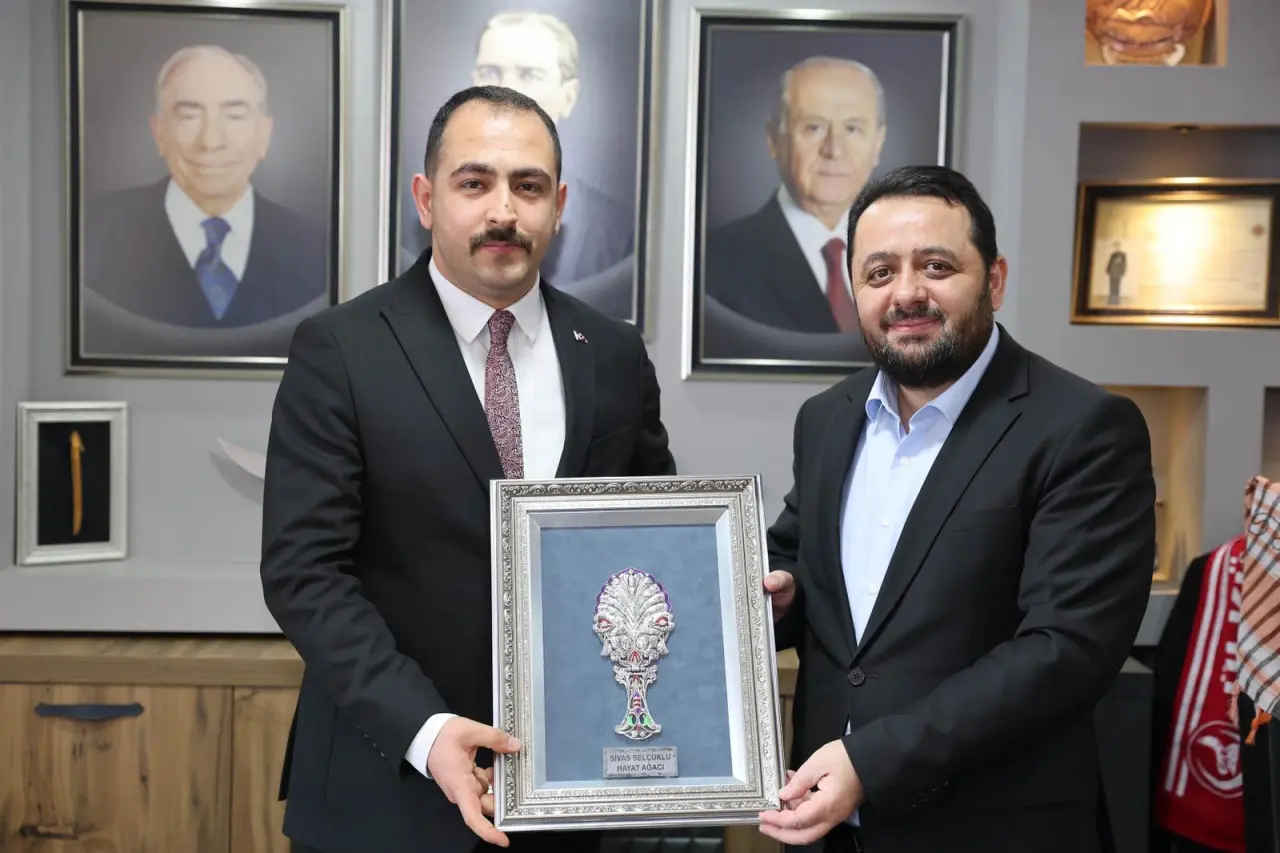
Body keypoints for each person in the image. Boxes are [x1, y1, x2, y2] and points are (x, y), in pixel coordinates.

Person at [260, 84, 676, 853]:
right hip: (384, 790)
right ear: (426, 199)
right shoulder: (341, 349)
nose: (503, 211)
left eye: (529, 186)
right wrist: (426, 729)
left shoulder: (614, 353)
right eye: (475, 182)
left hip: (566, 793)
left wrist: (730, 590)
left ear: (559, 205)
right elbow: (304, 573)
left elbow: (647, 543)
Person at [757, 165, 1156, 852]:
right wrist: (779, 595)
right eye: (880, 272)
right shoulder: (826, 418)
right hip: (826, 829)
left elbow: (1064, 651)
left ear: (994, 280)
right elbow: (801, 562)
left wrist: (871, 762)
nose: (907, 292)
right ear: (854, 289)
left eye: (936, 266)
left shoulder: (1085, 428)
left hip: (996, 830)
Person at [83, 45, 328, 347]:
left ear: (264, 135)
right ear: (159, 133)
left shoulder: (317, 251)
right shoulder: (89, 236)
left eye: (234, 116)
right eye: (189, 116)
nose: (211, 141)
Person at [400, 11, 635, 314]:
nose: (506, 91)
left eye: (529, 75)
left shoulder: (619, 236)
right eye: (473, 184)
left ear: (568, 97)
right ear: (426, 201)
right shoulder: (352, 332)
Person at [704, 56, 886, 335]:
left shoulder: (910, 258)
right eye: (814, 127)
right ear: (773, 139)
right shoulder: (713, 265)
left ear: (878, 144)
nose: (834, 150)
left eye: (852, 128)